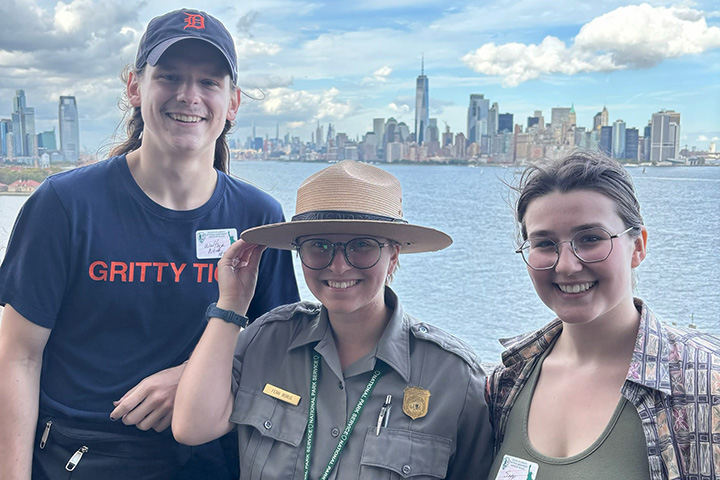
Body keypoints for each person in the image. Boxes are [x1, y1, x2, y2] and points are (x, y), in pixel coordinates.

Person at [0, 8, 299, 479]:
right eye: (170, 77)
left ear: (233, 102)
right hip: (80, 459)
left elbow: (278, 347)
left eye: (209, 82)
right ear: (135, 88)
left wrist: (190, 375)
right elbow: (18, 355)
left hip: (212, 461)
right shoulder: (64, 204)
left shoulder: (257, 219)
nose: (189, 96)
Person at [173, 160, 494, 479]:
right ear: (299, 253)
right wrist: (232, 304)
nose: (339, 266)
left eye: (362, 246)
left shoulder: (452, 376)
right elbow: (192, 426)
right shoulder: (268, 340)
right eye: (319, 246)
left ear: (393, 254)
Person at [486, 150, 720, 480]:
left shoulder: (705, 384)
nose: (566, 265)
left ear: (637, 246)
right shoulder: (506, 384)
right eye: (544, 243)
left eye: (591, 238)